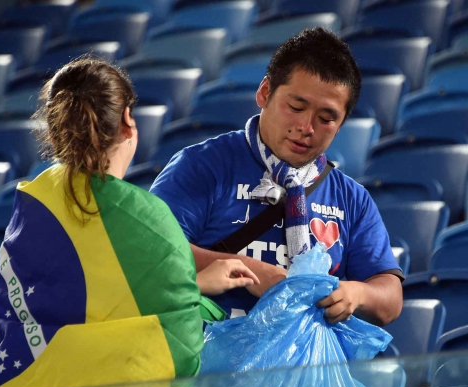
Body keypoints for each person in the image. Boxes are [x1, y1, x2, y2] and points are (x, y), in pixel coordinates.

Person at [0, 57, 258, 387]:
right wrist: (203, 304)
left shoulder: (37, 198)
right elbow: (176, 341)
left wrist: (199, 284)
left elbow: (65, 305)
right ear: (128, 120)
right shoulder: (149, 219)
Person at [150, 28, 403, 326]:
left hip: (304, 366)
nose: (306, 127)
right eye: (296, 107)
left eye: (326, 119)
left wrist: (357, 293)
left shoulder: (351, 199)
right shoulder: (203, 166)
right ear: (265, 92)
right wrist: (244, 269)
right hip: (207, 364)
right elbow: (151, 250)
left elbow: (390, 300)